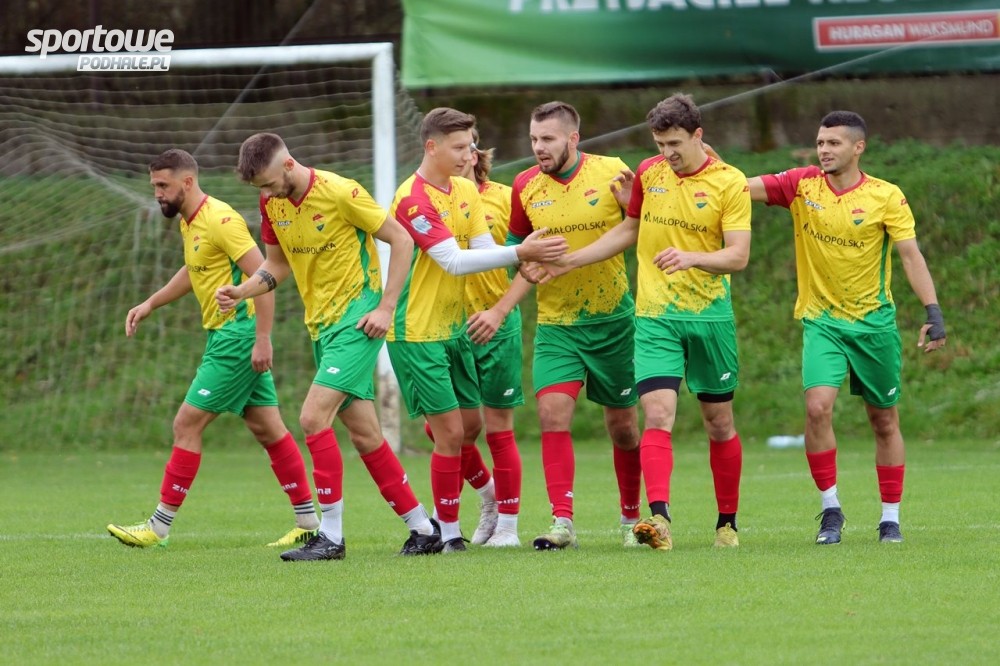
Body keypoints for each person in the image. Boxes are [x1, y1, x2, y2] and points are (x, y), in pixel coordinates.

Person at [538, 93, 751, 550]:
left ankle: (727, 524)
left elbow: (738, 255)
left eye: (675, 143)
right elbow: (630, 229)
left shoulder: (729, 182)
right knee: (656, 414)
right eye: (659, 144)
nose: (667, 153)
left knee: (719, 423)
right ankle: (659, 520)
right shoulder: (649, 174)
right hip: (655, 317)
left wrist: (692, 257)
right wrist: (570, 261)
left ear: (698, 135)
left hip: (709, 317)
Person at [217, 132, 440, 560]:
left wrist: (386, 307)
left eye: (269, 183)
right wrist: (243, 291)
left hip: (358, 322)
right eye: (260, 188)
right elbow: (276, 265)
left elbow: (402, 239)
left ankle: (331, 538)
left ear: (288, 164)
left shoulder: (341, 192)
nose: (267, 193)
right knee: (366, 435)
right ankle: (423, 529)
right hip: (321, 327)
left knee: (312, 417)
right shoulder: (271, 204)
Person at [746, 110, 947, 544]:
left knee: (883, 421)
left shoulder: (886, 196)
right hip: (823, 322)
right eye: (820, 142)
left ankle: (890, 518)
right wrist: (704, 167)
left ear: (858, 147)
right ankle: (831, 511)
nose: (824, 150)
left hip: (874, 326)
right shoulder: (801, 184)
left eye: (833, 143)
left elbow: (910, 256)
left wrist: (933, 312)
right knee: (817, 408)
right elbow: (738, 189)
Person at [107, 149, 320, 550]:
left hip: (236, 337)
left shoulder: (221, 220)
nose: (157, 193)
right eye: (154, 185)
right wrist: (151, 303)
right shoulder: (190, 222)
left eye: (163, 185)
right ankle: (308, 521)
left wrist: (262, 338)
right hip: (227, 335)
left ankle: (158, 527)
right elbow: (195, 268)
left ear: (187, 182)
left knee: (186, 424)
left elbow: (265, 276)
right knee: (268, 429)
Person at [387, 107, 566, 553]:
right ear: (431, 147)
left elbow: (484, 250)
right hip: (418, 333)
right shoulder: (412, 199)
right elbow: (452, 260)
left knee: (467, 428)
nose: (470, 155)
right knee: (448, 434)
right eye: (460, 147)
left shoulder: (466, 190)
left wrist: (520, 268)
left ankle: (488, 503)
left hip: (455, 331)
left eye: (471, 145)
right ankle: (447, 534)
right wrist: (521, 253)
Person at [483, 101, 643, 551]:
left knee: (624, 427)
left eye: (548, 139)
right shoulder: (525, 186)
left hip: (613, 321)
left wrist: (635, 208)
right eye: (534, 139)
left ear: (573, 138)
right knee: (552, 414)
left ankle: (631, 519)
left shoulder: (612, 172)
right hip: (557, 325)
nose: (539, 147)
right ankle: (562, 522)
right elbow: (518, 252)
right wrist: (516, 277)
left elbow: (639, 229)